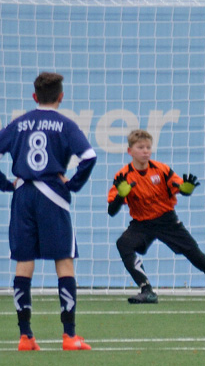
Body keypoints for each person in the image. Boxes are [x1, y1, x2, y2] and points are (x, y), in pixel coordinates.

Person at [0, 72, 96, 350]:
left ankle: (25, 336)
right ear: (61, 97)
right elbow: (89, 157)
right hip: (53, 194)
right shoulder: (65, 124)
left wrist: (6, 184)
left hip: (24, 194)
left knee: (23, 260)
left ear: (34, 97)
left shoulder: (19, 123)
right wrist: (73, 185)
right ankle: (69, 336)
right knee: (64, 261)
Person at [107, 129, 205, 304]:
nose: (145, 151)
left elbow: (179, 187)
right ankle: (147, 290)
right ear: (130, 151)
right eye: (140, 147)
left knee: (197, 256)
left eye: (148, 147)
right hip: (142, 223)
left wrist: (186, 189)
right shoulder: (123, 176)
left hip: (167, 221)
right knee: (123, 243)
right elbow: (112, 211)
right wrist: (121, 195)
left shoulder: (161, 170)